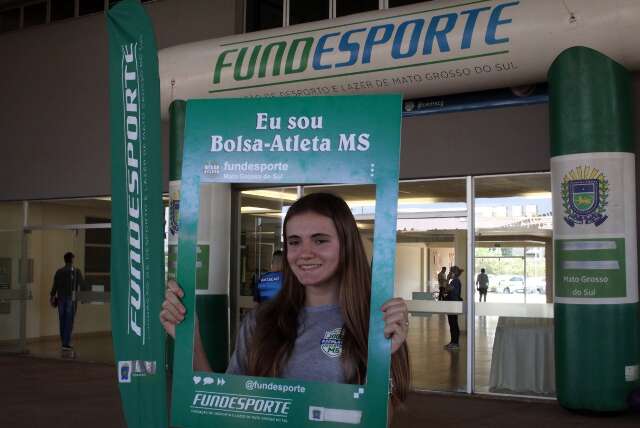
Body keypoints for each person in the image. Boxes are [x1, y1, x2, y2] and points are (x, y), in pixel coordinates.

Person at [160, 192, 410, 408]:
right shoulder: (261, 321)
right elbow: (226, 407)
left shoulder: (375, 322)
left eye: (320, 240)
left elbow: (381, 419)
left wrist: (383, 360)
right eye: (294, 242)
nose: (305, 253)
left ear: (346, 245)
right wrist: (192, 344)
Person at [50, 252, 84, 353]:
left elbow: (55, 286)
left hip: (60, 299)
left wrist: (52, 296)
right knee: (69, 321)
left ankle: (64, 342)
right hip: (70, 299)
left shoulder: (59, 272)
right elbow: (82, 284)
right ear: (72, 260)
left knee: (62, 320)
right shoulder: (76, 272)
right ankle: (66, 343)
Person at [444, 265, 463, 351]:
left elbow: (447, 289)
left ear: (454, 273)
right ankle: (453, 342)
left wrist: (447, 279)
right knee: (452, 323)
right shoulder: (454, 281)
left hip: (454, 305)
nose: (449, 273)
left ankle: (455, 343)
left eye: (451, 272)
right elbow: (446, 289)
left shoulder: (455, 281)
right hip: (451, 304)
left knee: (454, 324)